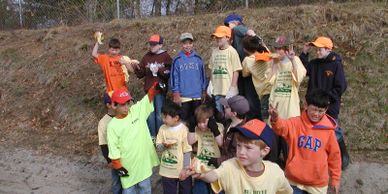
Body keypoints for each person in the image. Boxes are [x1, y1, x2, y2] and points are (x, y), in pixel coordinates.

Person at [187, 119, 293, 194]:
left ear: (264, 151)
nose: (241, 151)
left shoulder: (275, 172)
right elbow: (214, 175)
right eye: (238, 145)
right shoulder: (231, 165)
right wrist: (201, 173)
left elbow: (285, 191)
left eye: (248, 148)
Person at [269, 88, 342, 194]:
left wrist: (335, 179)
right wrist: (275, 119)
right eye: (314, 109)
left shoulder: (329, 131)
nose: (316, 114)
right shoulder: (295, 123)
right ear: (306, 105)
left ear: (326, 110)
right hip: (293, 181)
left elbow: (334, 157)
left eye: (321, 111)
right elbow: (281, 127)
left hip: (317, 184)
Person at [299, 36, 349, 170]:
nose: (318, 52)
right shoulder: (315, 63)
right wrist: (304, 53)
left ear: (328, 49)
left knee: (333, 129)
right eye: (316, 49)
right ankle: (319, 155)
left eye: (320, 50)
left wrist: (327, 99)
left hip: (329, 105)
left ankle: (343, 157)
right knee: (314, 130)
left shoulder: (336, 64)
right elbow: (304, 70)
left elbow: (341, 86)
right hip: (314, 103)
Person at [107, 84, 161, 194]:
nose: (127, 107)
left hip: (143, 165)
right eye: (122, 105)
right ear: (114, 105)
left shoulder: (136, 111)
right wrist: (118, 166)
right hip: (127, 168)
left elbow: (146, 99)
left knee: (145, 189)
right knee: (128, 191)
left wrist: (155, 88)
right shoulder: (112, 126)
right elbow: (113, 148)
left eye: (128, 103)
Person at [267, 35, 307, 166]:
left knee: (289, 148)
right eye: (276, 48)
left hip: (290, 111)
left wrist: (293, 61)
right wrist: (273, 64)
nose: (277, 51)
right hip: (275, 108)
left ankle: (291, 172)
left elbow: (298, 78)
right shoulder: (273, 62)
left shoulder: (295, 60)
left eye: (280, 49)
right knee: (273, 149)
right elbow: (269, 82)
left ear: (286, 49)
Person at [224, 13, 262, 120]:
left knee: (249, 96)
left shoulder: (237, 29)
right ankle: (248, 118)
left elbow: (250, 34)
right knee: (247, 95)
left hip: (246, 69)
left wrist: (251, 33)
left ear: (235, 23)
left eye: (228, 24)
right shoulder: (234, 34)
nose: (227, 27)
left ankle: (251, 119)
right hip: (243, 69)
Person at [134, 34, 172, 140]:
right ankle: (152, 137)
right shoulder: (146, 57)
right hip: (149, 90)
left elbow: (170, 72)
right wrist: (136, 68)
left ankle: (160, 137)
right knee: (150, 114)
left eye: (154, 44)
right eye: (151, 44)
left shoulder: (165, 56)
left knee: (159, 114)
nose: (152, 46)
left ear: (160, 45)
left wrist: (159, 70)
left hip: (159, 89)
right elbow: (140, 74)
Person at [155, 101, 192, 194]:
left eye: (165, 117)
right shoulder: (162, 129)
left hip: (182, 170)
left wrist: (185, 168)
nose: (163, 119)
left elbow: (187, 151)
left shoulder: (184, 130)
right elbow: (158, 147)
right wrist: (164, 145)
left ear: (176, 118)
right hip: (166, 171)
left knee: (186, 191)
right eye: (162, 116)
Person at [170, 32, 207, 122]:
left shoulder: (198, 59)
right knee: (184, 120)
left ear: (192, 44)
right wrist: (176, 93)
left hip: (197, 96)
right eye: (185, 43)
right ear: (181, 44)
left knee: (197, 120)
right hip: (184, 97)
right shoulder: (177, 60)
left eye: (190, 43)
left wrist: (203, 90)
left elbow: (203, 76)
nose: (187, 46)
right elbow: (174, 78)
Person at [187, 105, 224, 194]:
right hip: (201, 166)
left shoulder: (218, 127)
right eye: (198, 122)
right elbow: (190, 141)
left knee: (216, 190)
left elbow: (221, 143)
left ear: (210, 119)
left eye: (204, 122)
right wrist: (191, 128)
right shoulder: (197, 129)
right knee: (199, 191)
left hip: (215, 166)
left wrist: (214, 129)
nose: (201, 125)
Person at [208, 25, 242, 114]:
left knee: (230, 115)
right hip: (217, 91)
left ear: (227, 37)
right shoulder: (214, 51)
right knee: (220, 115)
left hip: (228, 92)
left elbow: (236, 71)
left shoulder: (232, 52)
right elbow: (212, 69)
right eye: (216, 37)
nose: (218, 39)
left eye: (220, 37)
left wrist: (233, 87)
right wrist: (210, 84)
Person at [241, 35, 273, 122]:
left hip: (264, 93)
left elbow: (244, 74)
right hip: (273, 90)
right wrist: (263, 45)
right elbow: (271, 55)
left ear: (244, 49)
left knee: (266, 120)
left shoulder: (247, 60)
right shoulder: (267, 56)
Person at [97, 94, 121, 194]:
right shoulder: (103, 122)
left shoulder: (123, 117)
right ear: (108, 105)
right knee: (117, 182)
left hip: (128, 156)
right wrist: (109, 160)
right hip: (115, 158)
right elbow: (103, 143)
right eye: (115, 102)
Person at [218, 95, 249, 163]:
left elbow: (235, 156)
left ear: (234, 114)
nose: (224, 108)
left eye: (226, 107)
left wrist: (217, 161)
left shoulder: (240, 133)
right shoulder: (229, 123)